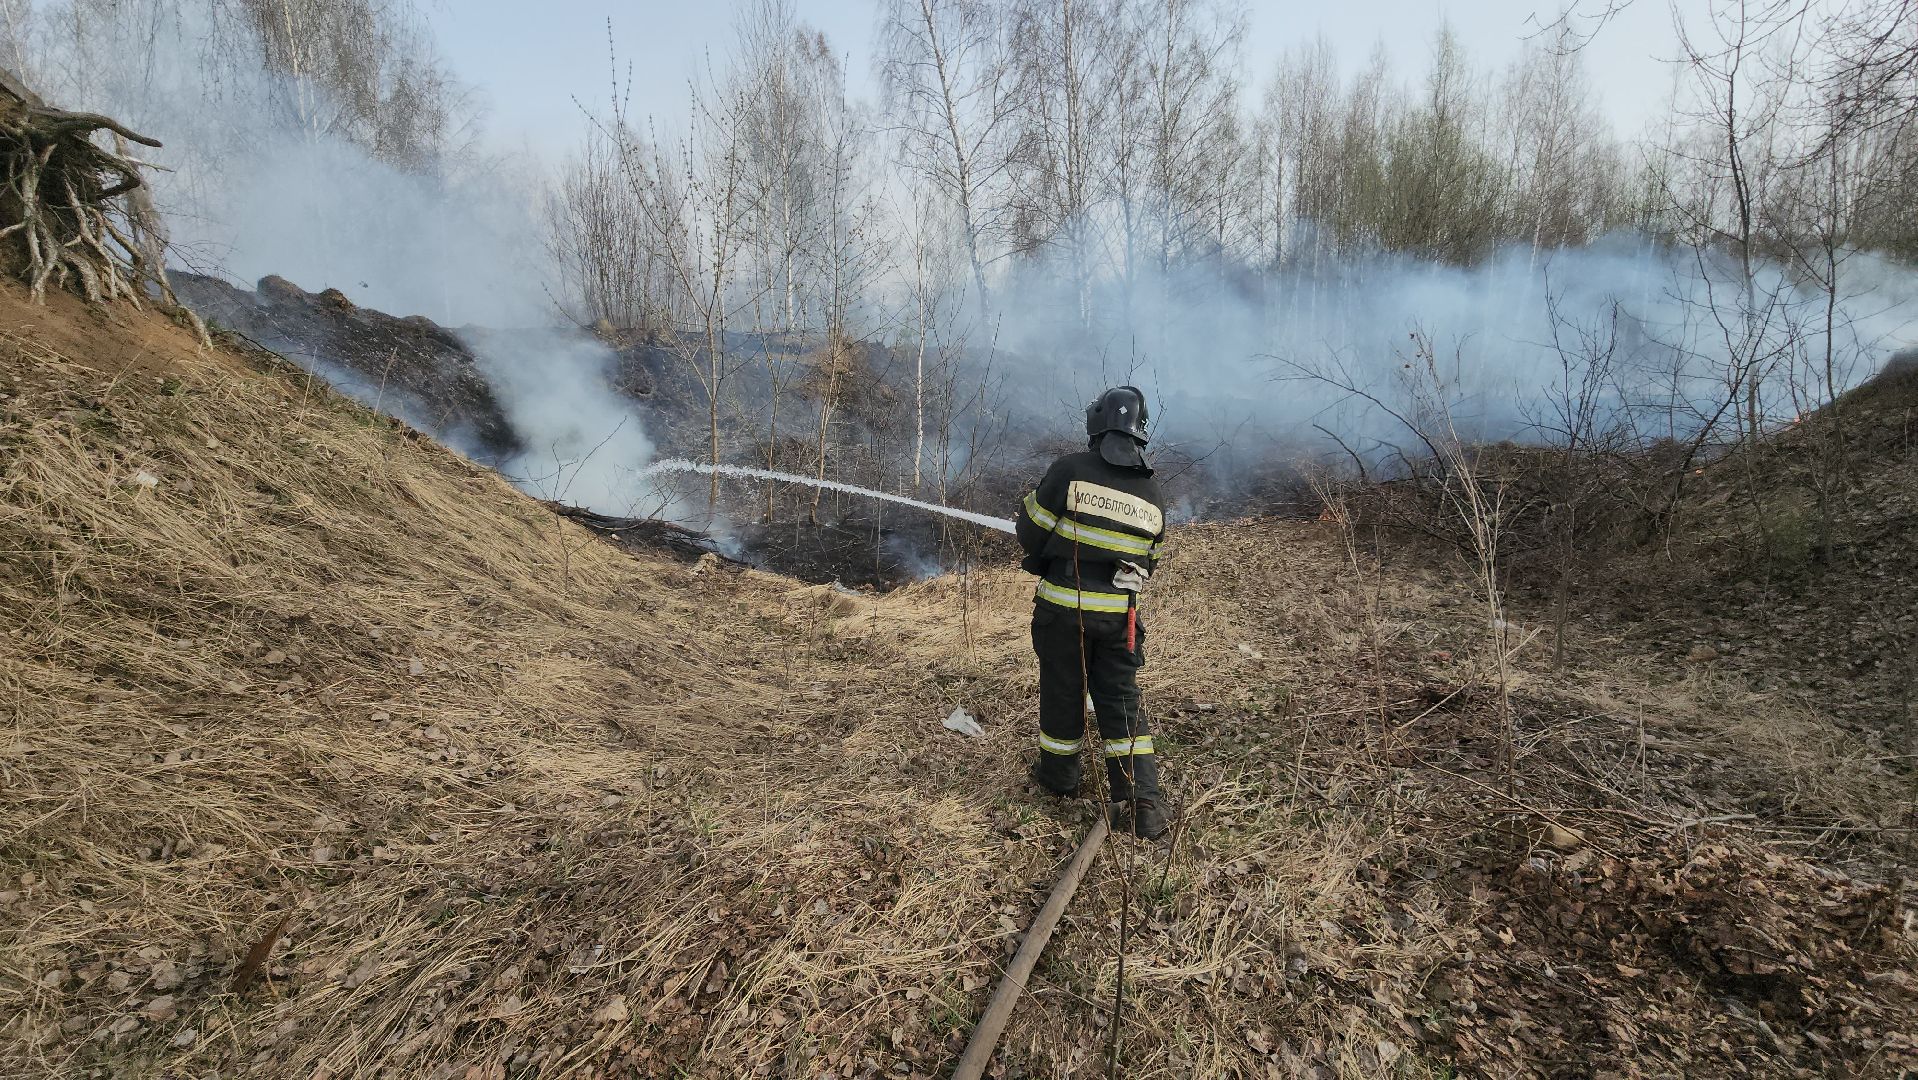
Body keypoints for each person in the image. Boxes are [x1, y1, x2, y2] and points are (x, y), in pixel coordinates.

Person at [1014, 385, 1171, 839]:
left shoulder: (1070, 471)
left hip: (1065, 610)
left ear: (1098, 424)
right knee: (1121, 700)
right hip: (1121, 620)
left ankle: (1060, 778)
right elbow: (1149, 562)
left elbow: (1030, 530)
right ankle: (1142, 802)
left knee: (1064, 691)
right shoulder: (1153, 494)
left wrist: (1051, 551)